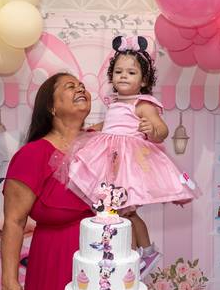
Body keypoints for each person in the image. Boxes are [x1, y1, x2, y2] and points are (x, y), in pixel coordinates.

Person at [62, 35, 198, 276]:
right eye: (118, 72)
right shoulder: (115, 103)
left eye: (131, 72)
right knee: (123, 212)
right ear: (111, 76)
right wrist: (93, 130)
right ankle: (138, 251)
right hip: (111, 162)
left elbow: (162, 131)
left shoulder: (142, 104)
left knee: (126, 212)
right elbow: (110, 125)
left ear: (143, 80)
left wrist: (152, 130)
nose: (123, 76)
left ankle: (137, 253)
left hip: (130, 163)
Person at [0, 73, 94, 290]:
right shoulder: (31, 155)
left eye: (82, 86)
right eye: (70, 86)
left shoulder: (100, 146)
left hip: (100, 263)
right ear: (51, 106)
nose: (80, 89)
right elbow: (14, 222)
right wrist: (10, 285)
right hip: (54, 262)